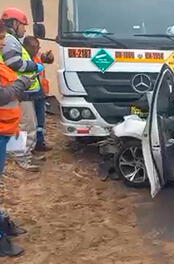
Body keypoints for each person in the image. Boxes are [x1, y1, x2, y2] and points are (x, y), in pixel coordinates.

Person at [1, 7, 45, 172]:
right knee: (26, 126)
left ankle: (26, 154)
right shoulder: (10, 40)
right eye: (23, 25)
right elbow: (15, 63)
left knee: (28, 125)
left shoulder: (11, 40)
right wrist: (35, 66)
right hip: (17, 90)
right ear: (14, 23)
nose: (25, 29)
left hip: (19, 90)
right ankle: (22, 158)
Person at [0, 19, 28, 258]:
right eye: (0, 38)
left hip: (4, 130)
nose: (3, 42)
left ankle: (2, 223)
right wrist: (22, 82)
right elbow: (2, 95)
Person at [23, 36, 52, 152]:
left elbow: (48, 59)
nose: (37, 49)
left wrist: (49, 57)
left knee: (40, 121)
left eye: (38, 47)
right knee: (30, 123)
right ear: (26, 47)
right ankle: (28, 148)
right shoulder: (23, 57)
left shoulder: (37, 56)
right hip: (29, 94)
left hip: (40, 93)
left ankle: (39, 143)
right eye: (34, 47)